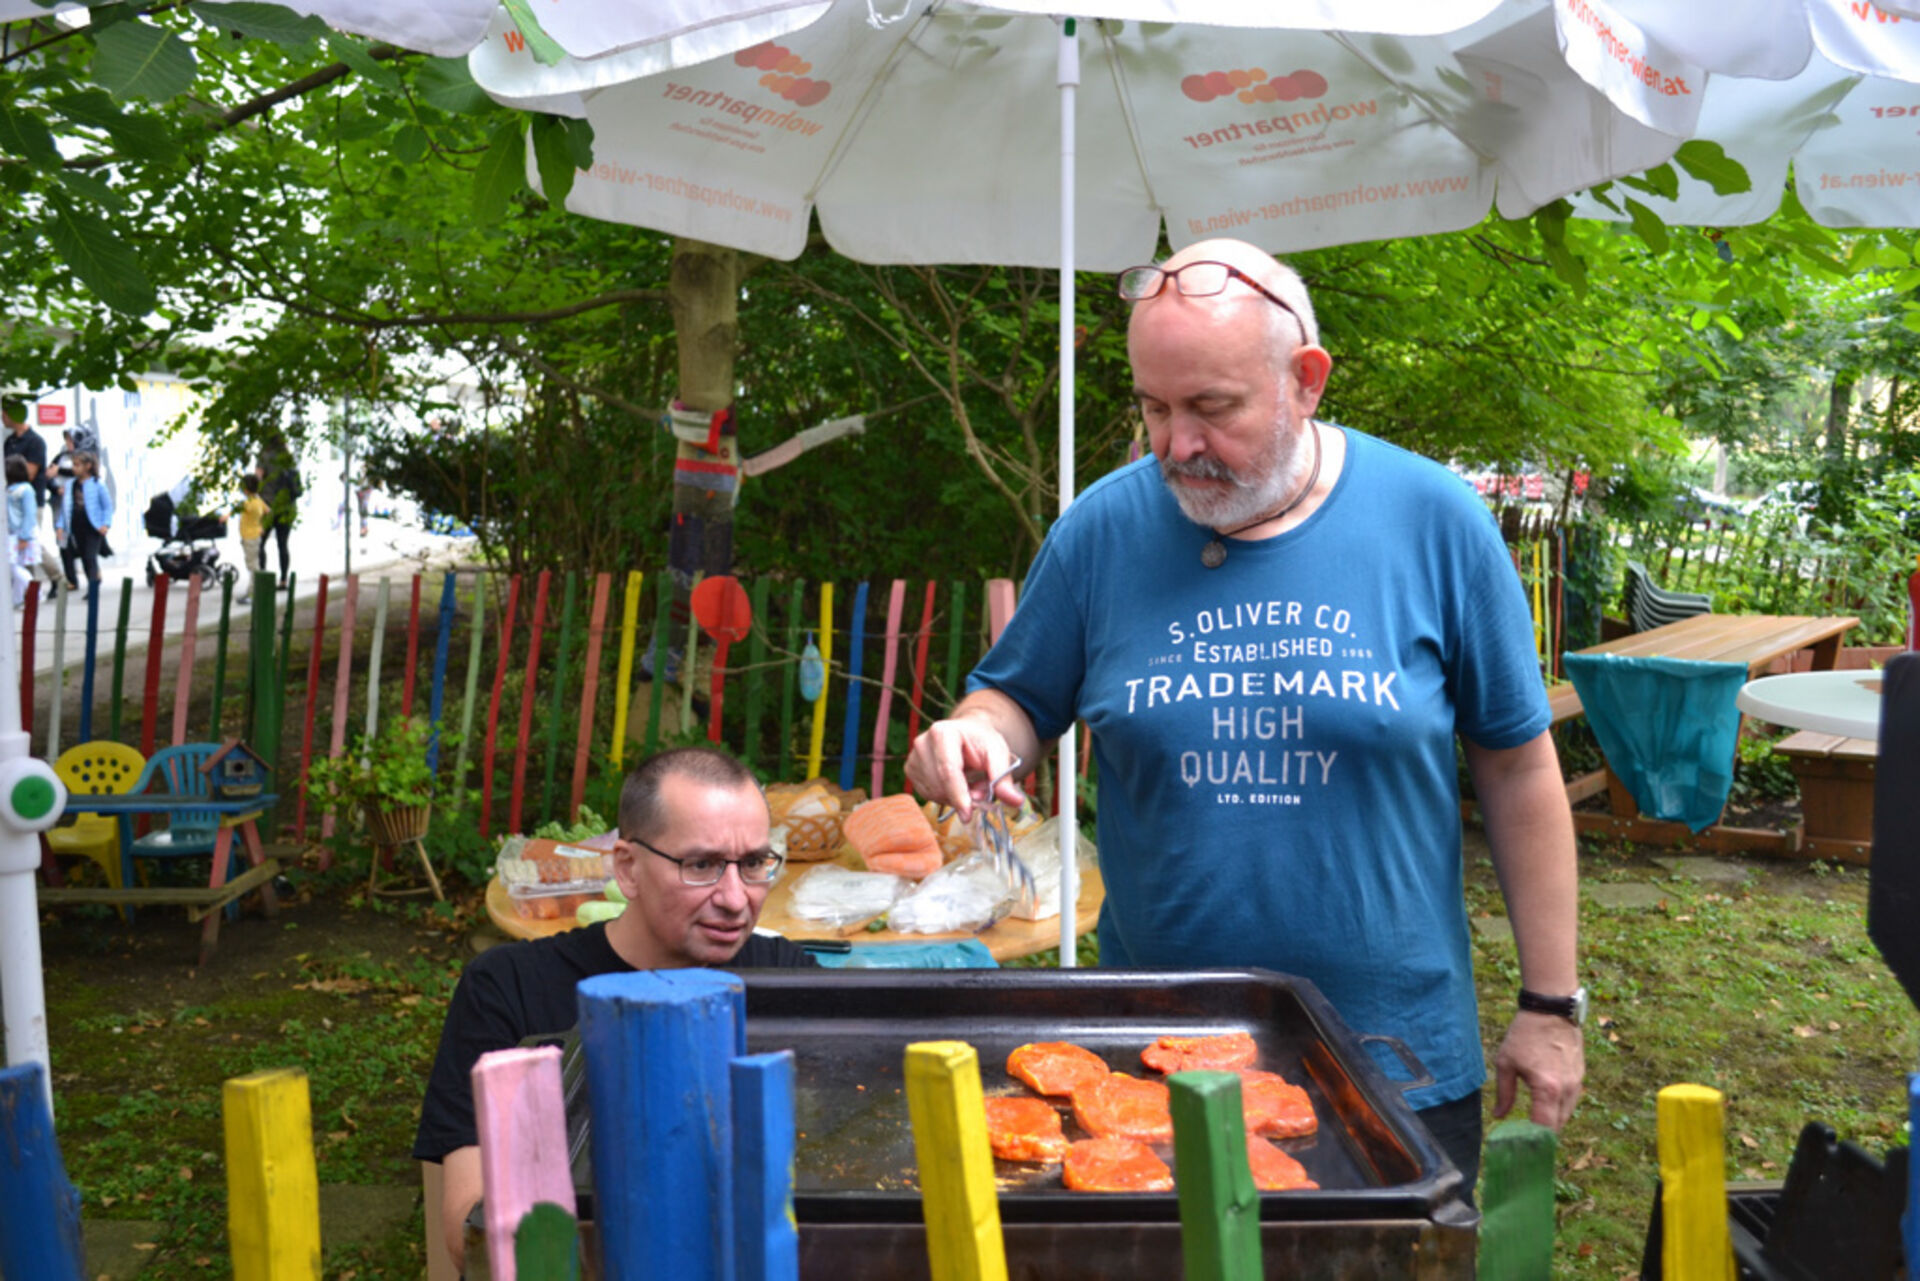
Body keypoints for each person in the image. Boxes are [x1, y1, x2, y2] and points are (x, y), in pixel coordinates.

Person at [905, 238, 1583, 1194]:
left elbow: (1518, 767)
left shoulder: (1434, 521)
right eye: (1153, 407)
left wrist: (1551, 1002)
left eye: (1212, 407)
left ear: (1305, 380)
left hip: (1391, 1059)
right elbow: (1016, 698)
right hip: (1151, 1066)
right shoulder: (1102, 529)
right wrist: (978, 730)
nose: (1176, 443)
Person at [413, 747, 817, 1274]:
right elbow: (469, 1226)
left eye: (754, 864)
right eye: (702, 865)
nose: (736, 899)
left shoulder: (787, 977)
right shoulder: (509, 989)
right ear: (627, 868)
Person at [54, 450, 112, 604]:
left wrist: (105, 524)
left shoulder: (97, 484)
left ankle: (93, 588)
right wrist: (60, 526)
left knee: (89, 556)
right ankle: (91, 580)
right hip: (75, 526)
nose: (74, 468)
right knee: (80, 556)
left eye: (77, 465)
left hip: (93, 527)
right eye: (73, 465)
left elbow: (107, 506)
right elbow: (64, 507)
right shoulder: (70, 485)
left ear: (88, 466)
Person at [259, 454, 301, 586]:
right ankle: (283, 579)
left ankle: (264, 578)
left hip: (269, 509)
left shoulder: (266, 462)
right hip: (287, 510)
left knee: (260, 543)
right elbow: (299, 491)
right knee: (282, 545)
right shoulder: (292, 468)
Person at [5, 456, 35, 607]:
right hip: (10, 533)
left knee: (12, 566)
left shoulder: (26, 490)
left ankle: (34, 589)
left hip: (20, 534)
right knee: (15, 566)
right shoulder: (8, 489)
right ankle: (17, 600)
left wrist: (24, 536)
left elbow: (30, 514)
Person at [236, 473, 269, 602]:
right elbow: (268, 512)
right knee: (254, 564)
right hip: (253, 536)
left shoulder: (248, 503)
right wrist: (261, 526)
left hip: (250, 537)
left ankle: (252, 593)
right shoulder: (258, 500)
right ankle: (254, 592)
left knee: (253, 566)